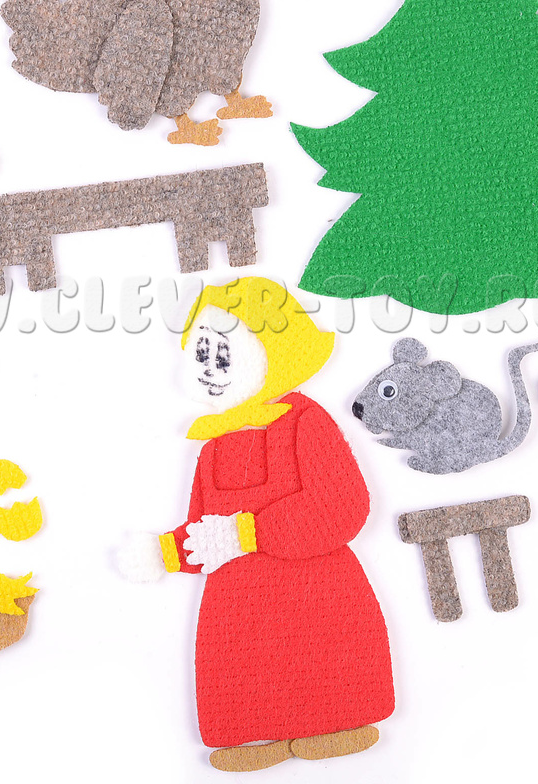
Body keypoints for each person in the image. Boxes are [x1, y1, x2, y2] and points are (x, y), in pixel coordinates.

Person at [118, 277, 395, 772]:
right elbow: (203, 530)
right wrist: (166, 552)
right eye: (201, 352)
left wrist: (250, 533)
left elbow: (343, 505)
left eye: (224, 356)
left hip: (315, 582)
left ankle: (339, 722)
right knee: (243, 662)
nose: (209, 369)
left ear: (275, 354)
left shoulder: (305, 422)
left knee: (322, 649)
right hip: (238, 596)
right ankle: (250, 734)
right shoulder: (212, 447)